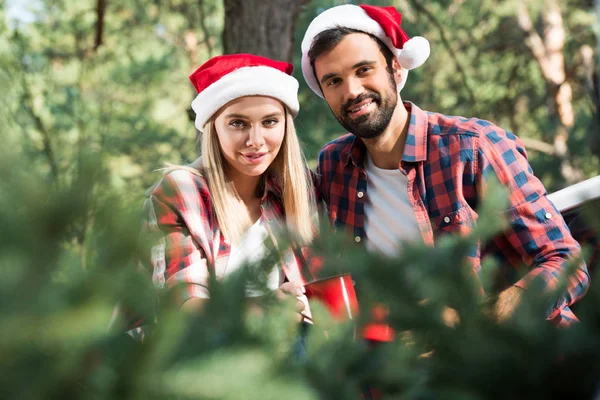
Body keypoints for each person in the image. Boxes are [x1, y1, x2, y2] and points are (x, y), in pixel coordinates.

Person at [300, 4, 590, 326]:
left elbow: (565, 261)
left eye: (364, 70)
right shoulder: (333, 167)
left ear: (395, 69)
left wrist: (469, 325)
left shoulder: (474, 146)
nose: (352, 91)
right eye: (334, 81)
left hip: (524, 360)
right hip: (406, 368)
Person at [143, 54, 317, 322]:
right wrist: (265, 308)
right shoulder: (182, 191)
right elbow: (182, 308)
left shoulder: (295, 190)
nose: (255, 141)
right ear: (214, 128)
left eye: (269, 121)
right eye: (238, 123)